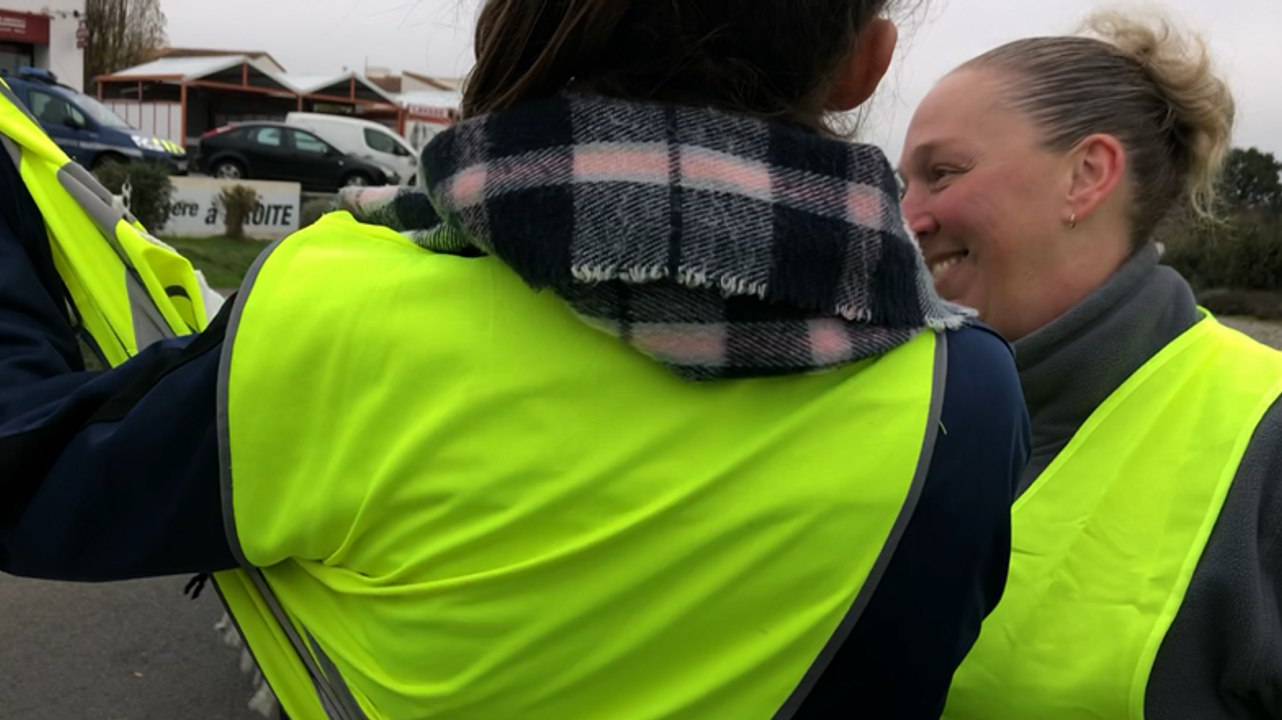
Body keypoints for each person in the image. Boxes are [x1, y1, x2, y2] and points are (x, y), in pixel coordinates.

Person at [0, 1, 1030, 717]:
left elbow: (35, 481)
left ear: (514, 22)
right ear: (867, 62)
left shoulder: (341, 311)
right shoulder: (969, 399)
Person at [899, 11, 1282, 720]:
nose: (909, 218)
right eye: (905, 185)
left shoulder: (1267, 436)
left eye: (942, 174)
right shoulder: (895, 408)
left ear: (1087, 175)